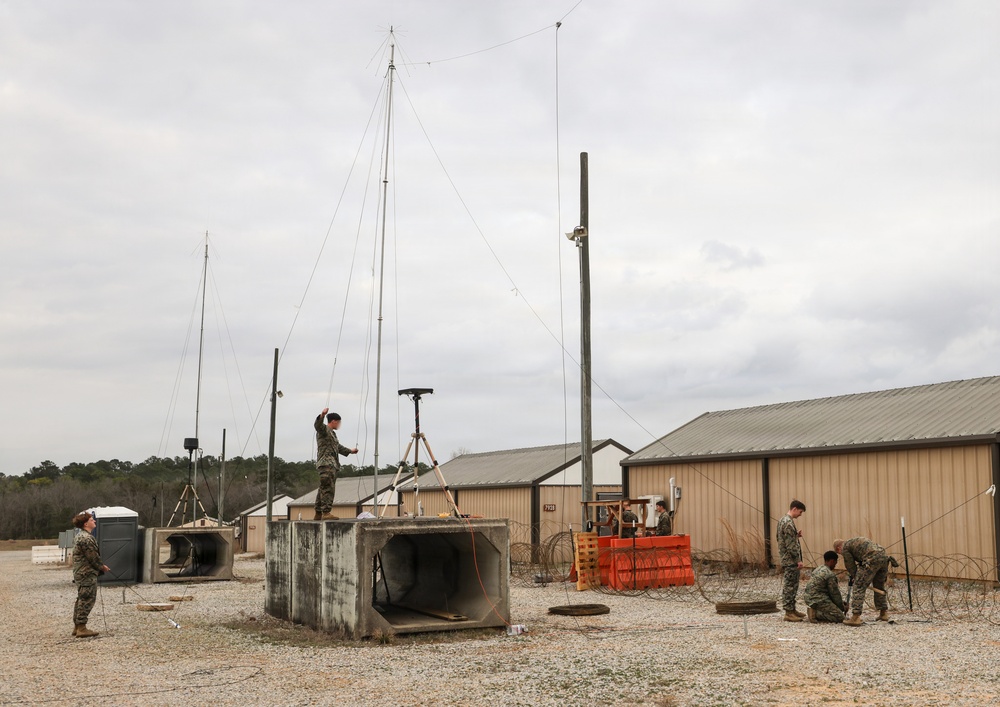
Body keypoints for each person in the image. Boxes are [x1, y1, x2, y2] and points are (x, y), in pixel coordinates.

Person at [313, 408, 358, 520]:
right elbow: (318, 426)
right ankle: (326, 512)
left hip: (330, 464)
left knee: (323, 488)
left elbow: (338, 447)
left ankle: (319, 512)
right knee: (328, 488)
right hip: (326, 464)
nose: (339, 425)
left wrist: (350, 451)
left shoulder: (332, 434)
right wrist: (322, 415)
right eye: (338, 422)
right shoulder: (324, 430)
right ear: (334, 421)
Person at [833, 536, 890, 625]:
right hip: (883, 557)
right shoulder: (853, 542)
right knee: (879, 586)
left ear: (838, 548)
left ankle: (855, 617)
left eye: (838, 552)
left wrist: (856, 577)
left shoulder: (845, 547)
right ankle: (883, 613)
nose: (841, 554)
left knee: (858, 586)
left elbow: (850, 565)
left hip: (871, 559)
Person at [71, 511, 110, 638]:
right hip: (86, 574)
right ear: (86, 523)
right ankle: (82, 628)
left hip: (82, 573)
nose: (94, 521)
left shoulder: (81, 536)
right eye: (92, 519)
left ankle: (77, 627)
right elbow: (93, 558)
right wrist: (102, 567)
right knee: (87, 599)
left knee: (81, 598)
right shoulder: (86, 538)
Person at [777, 499, 806, 622]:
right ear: (794, 509)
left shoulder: (782, 520)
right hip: (790, 561)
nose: (800, 515)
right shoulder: (788, 523)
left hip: (786, 558)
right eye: (800, 512)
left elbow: (781, 538)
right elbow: (790, 546)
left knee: (793, 585)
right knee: (790, 586)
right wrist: (797, 560)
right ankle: (789, 612)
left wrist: (795, 535)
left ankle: (792, 609)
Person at [803, 550, 846, 623]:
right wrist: (842, 607)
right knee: (840, 617)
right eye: (835, 562)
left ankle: (816, 610)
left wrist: (841, 602)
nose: (835, 565)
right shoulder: (829, 574)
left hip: (808, 597)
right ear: (832, 561)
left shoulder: (818, 569)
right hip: (818, 599)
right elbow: (835, 594)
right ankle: (815, 613)